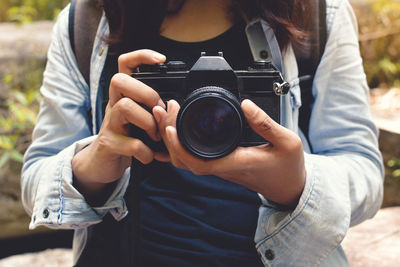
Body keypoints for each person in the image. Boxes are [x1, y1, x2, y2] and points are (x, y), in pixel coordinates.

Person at [21, 0, 384, 266]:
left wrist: (297, 185)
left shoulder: (318, 15)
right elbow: (34, 181)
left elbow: (366, 173)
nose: (210, 122)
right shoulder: (85, 23)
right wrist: (92, 166)